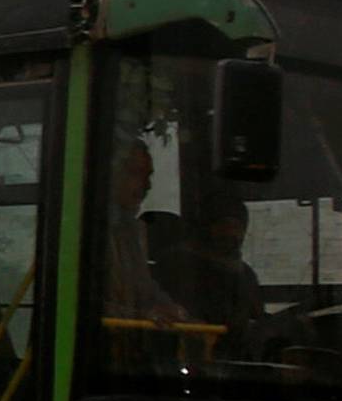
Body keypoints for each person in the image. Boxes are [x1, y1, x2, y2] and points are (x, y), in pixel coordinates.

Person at [150, 190, 266, 334]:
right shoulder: (177, 265)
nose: (231, 233)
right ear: (206, 228)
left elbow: (257, 322)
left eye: (238, 227)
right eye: (224, 225)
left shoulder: (246, 274)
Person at [103, 141, 185, 325]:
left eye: (148, 176)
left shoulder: (134, 231)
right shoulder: (81, 229)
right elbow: (79, 303)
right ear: (111, 175)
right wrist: (140, 315)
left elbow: (145, 288)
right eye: (135, 174)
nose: (147, 186)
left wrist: (176, 312)